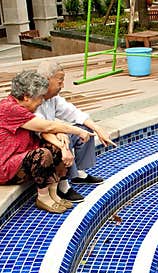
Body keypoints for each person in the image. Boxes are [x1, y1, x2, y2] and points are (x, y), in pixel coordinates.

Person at [0, 70, 92, 214]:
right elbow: (47, 126)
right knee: (42, 154)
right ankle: (43, 198)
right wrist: (78, 131)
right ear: (26, 97)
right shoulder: (9, 109)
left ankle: (53, 193)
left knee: (55, 146)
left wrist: (61, 139)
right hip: (4, 167)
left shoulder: (21, 106)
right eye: (40, 97)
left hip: (20, 158)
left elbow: (46, 127)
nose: (42, 101)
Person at [35, 60, 117, 204]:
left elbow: (73, 113)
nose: (62, 86)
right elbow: (42, 128)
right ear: (46, 80)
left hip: (52, 131)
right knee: (64, 138)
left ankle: (78, 173)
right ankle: (63, 186)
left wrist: (98, 129)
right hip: (41, 141)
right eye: (60, 81)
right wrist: (60, 131)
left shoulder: (53, 98)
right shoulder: (34, 99)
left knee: (85, 129)